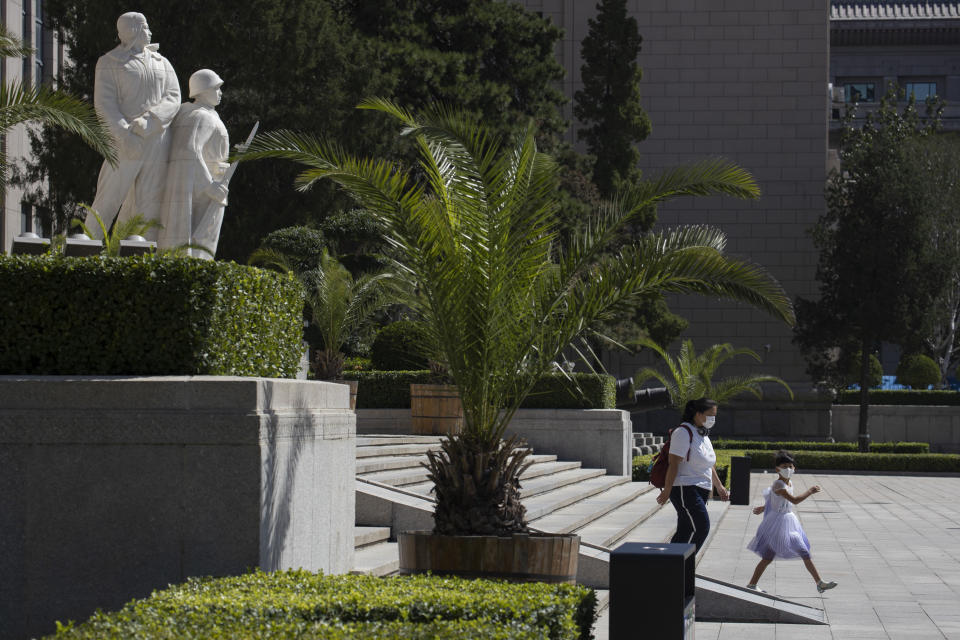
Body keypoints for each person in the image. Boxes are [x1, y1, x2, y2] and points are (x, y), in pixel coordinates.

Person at [87, 12, 181, 239]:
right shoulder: (109, 62)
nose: (149, 32)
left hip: (157, 139)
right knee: (108, 198)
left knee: (150, 200)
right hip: (125, 140)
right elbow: (104, 106)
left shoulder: (162, 63)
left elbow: (173, 97)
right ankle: (85, 248)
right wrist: (124, 135)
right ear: (133, 31)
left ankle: (140, 254)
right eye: (145, 27)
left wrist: (151, 121)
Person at [158, 69, 230, 258]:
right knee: (202, 245)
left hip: (207, 182)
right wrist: (209, 186)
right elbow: (189, 150)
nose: (220, 93)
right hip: (206, 188)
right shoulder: (202, 116)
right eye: (216, 88)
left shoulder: (190, 113)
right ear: (204, 90)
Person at [746, 450, 838, 594]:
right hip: (777, 524)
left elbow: (775, 501)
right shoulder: (779, 485)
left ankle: (820, 583)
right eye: (784, 466)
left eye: (791, 466)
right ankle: (752, 584)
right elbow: (794, 500)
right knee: (767, 557)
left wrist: (764, 508)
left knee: (804, 551)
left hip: (789, 521)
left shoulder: (789, 483)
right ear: (777, 469)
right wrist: (810, 491)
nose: (788, 469)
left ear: (794, 468)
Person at [655, 397, 729, 552]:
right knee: (701, 527)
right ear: (698, 414)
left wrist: (719, 486)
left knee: (686, 530)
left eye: (715, 415)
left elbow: (708, 465)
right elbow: (673, 463)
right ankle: (682, 567)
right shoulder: (683, 432)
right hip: (685, 488)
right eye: (710, 415)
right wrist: (667, 491)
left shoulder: (702, 434)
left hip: (700, 488)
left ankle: (670, 567)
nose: (713, 419)